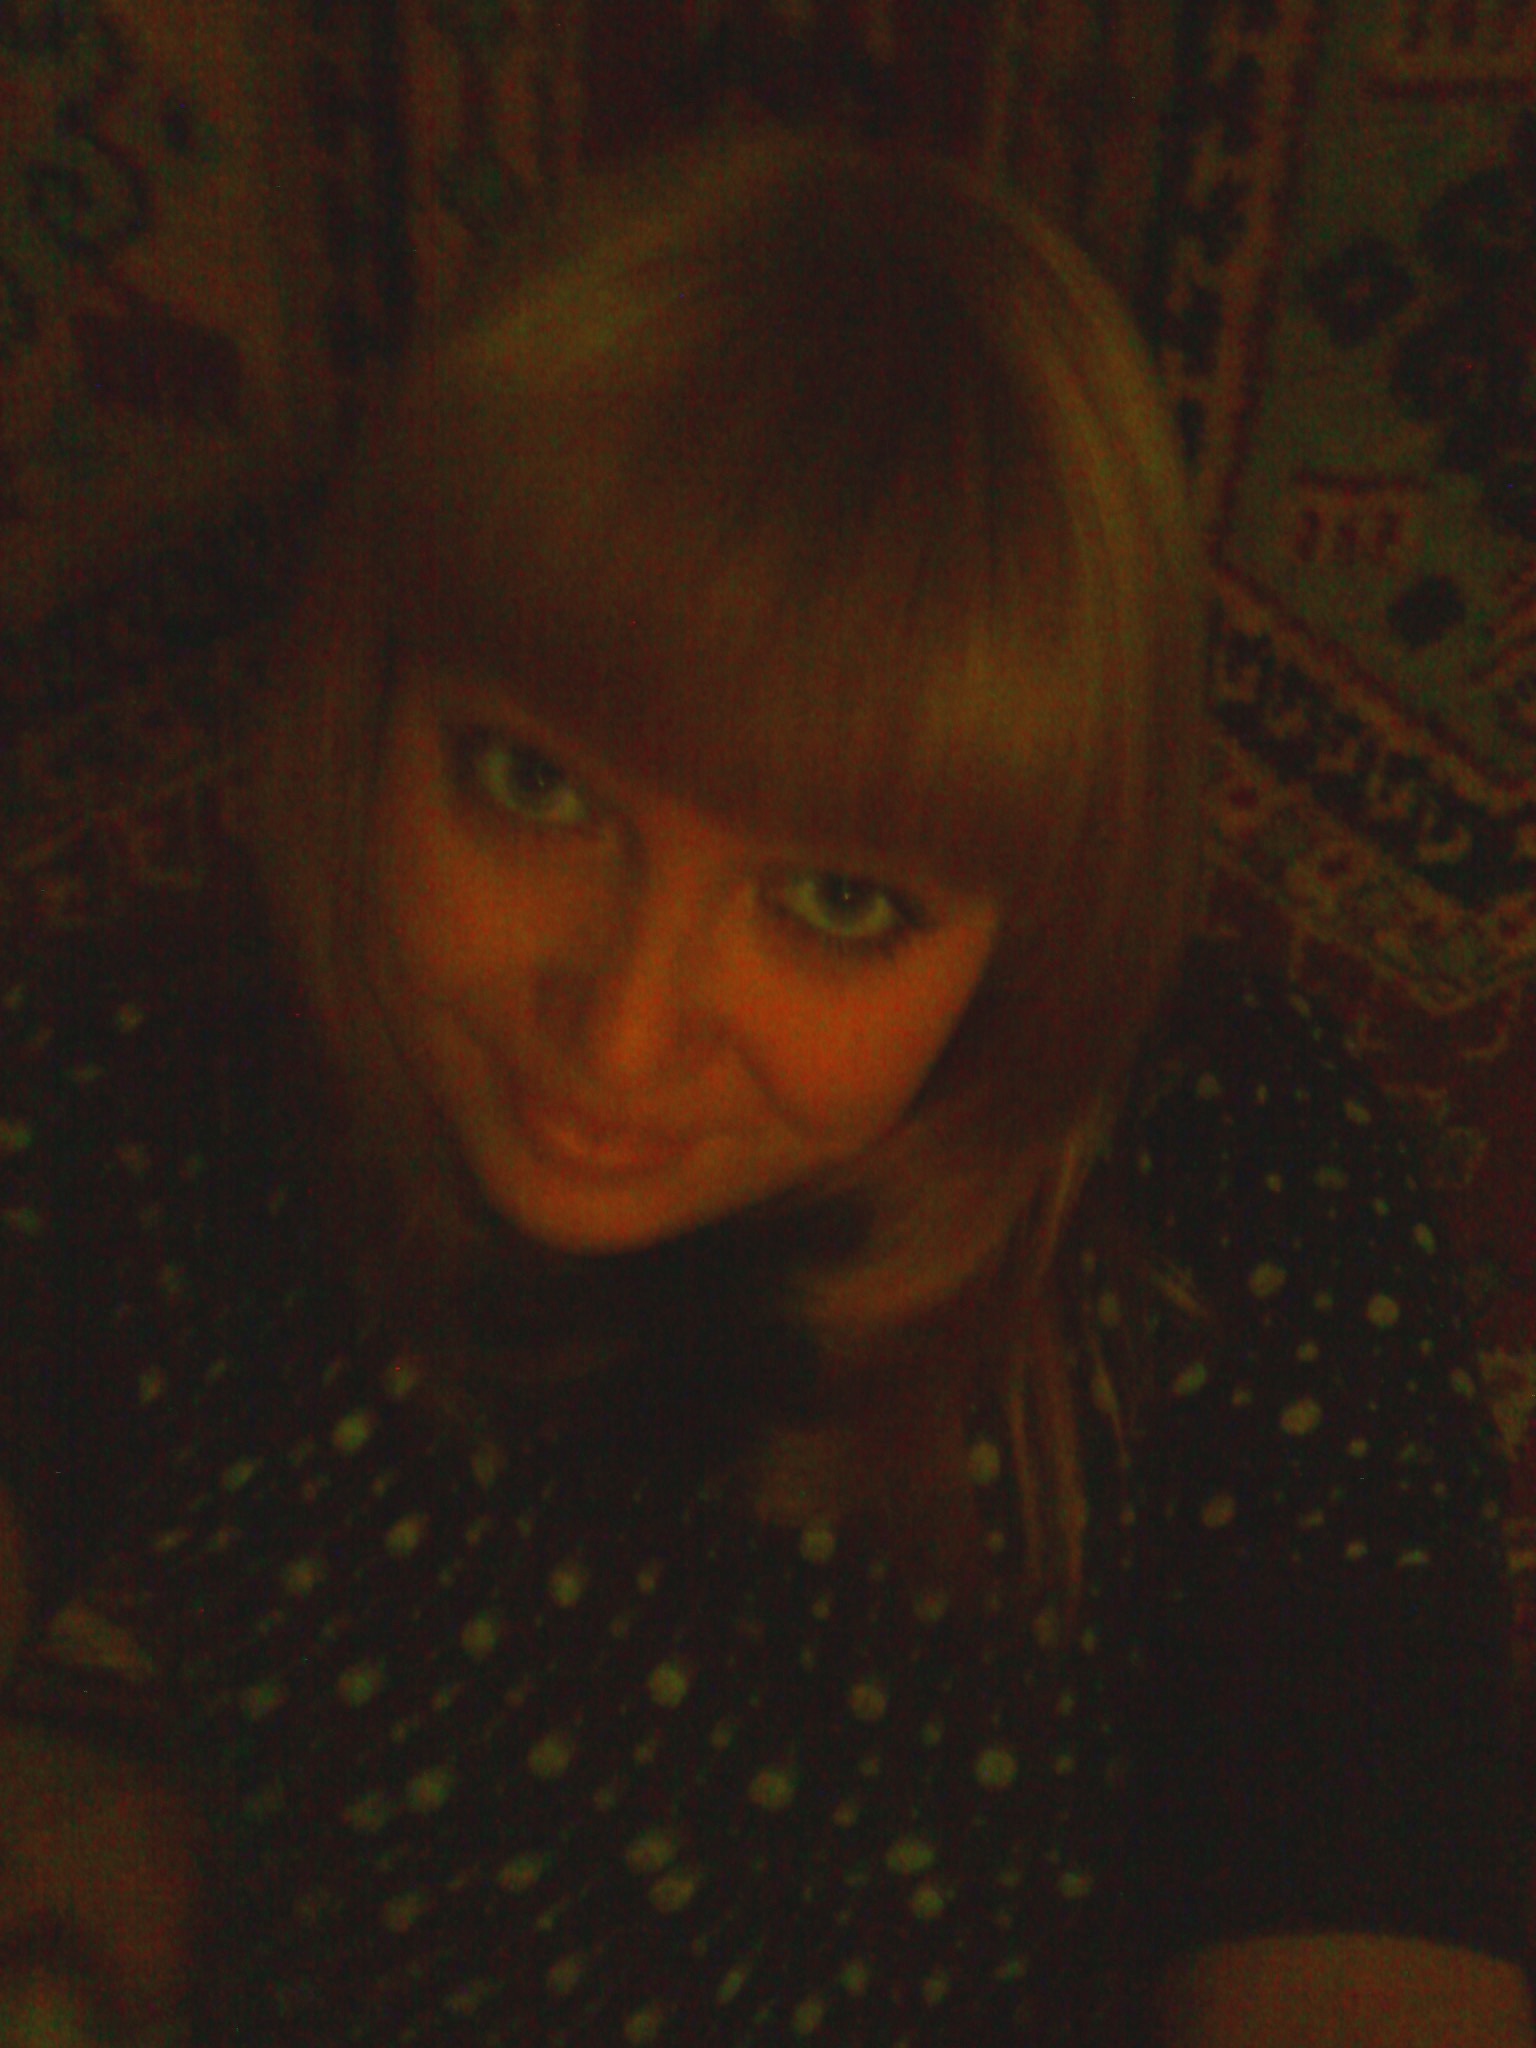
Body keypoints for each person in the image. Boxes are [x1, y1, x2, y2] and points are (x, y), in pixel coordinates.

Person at [0, 119, 1529, 2046]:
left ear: (1038, 914)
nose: (625, 1034)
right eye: (532, 786)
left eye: (836, 901)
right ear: (377, 690)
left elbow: (1371, 1889)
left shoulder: (1231, 1162)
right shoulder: (157, 1088)